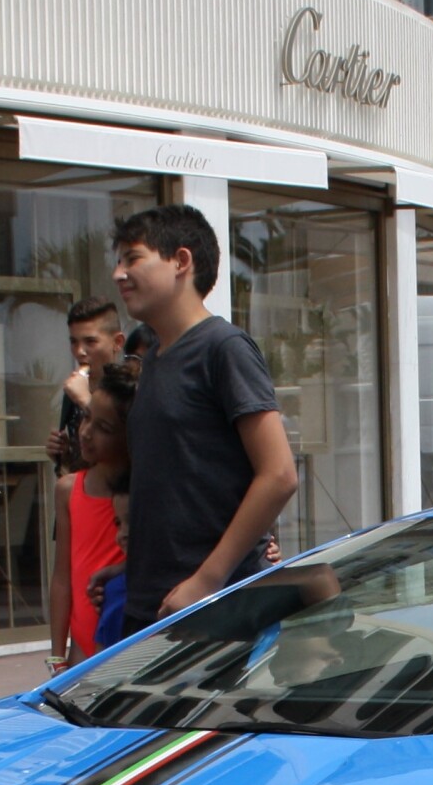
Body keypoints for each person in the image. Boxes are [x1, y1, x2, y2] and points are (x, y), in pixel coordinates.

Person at [107, 204, 299, 635]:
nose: (119, 274)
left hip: (212, 608)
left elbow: (279, 474)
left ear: (181, 261)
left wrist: (206, 581)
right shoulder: (154, 359)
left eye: (133, 258)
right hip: (152, 601)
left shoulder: (223, 347)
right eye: (117, 261)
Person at [47, 356, 134, 670]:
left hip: (126, 643)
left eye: (103, 427)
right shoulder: (68, 489)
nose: (86, 432)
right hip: (81, 650)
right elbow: (62, 577)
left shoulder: (143, 492)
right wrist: (57, 656)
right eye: (86, 418)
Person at [47, 297, 127, 474]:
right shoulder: (73, 391)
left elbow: (132, 447)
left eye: (90, 342)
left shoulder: (128, 388)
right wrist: (65, 453)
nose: (79, 352)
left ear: (117, 343)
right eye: (73, 342)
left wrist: (85, 400)